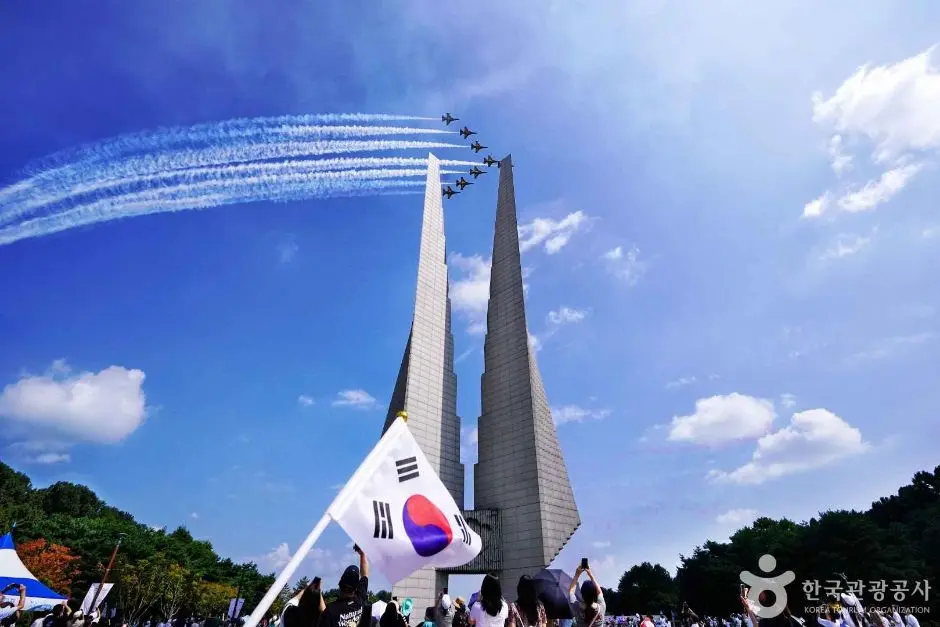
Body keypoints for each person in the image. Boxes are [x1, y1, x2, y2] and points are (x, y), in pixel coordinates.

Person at [317, 546, 370, 627]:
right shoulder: (360, 599)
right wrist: (362, 554)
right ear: (356, 588)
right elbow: (364, 575)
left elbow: (327, 615)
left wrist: (318, 592)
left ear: (339, 584)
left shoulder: (331, 611)